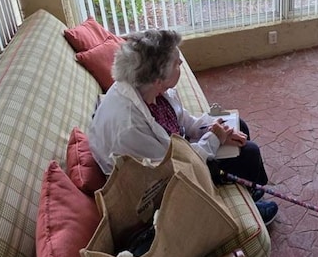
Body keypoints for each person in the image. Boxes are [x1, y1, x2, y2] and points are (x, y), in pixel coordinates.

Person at [88, 29, 278, 225]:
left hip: (172, 151)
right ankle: (250, 202)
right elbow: (176, 169)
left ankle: (247, 187)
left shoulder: (145, 87)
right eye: (176, 62)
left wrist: (213, 126)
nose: (181, 63)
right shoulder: (129, 128)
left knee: (239, 126)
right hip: (165, 184)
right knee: (249, 153)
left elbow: (182, 121)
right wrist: (214, 139)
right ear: (158, 79)